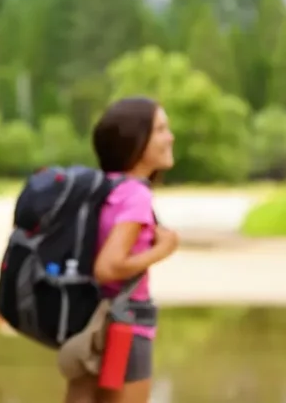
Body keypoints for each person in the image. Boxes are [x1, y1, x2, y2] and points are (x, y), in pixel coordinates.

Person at [57, 96, 180, 403]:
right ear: (137, 141)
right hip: (125, 328)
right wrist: (164, 249)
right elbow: (108, 268)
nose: (170, 137)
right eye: (161, 129)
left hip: (91, 325)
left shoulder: (106, 186)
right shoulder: (136, 194)